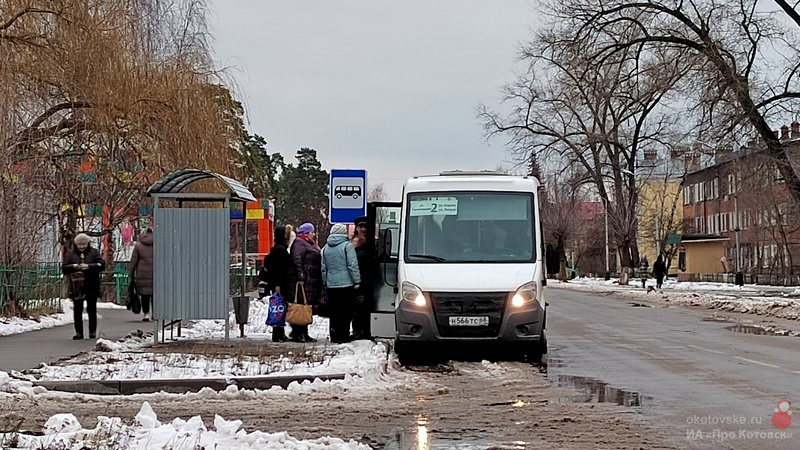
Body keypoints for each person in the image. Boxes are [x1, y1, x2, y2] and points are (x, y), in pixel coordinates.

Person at [322, 223, 361, 343]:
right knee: (346, 311)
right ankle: (343, 335)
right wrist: (357, 280)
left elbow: (324, 268)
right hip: (346, 284)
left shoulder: (325, 248)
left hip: (331, 285)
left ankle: (334, 335)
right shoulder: (347, 246)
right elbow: (352, 265)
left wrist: (325, 282)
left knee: (334, 312)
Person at [62, 233, 106, 340]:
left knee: (91, 309)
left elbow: (101, 265)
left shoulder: (94, 253)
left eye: (84, 244)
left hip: (92, 285)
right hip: (76, 286)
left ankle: (92, 331)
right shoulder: (71, 254)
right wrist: (73, 267)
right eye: (79, 245)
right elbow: (64, 268)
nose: (81, 246)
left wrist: (89, 266)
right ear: (76, 245)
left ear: (88, 243)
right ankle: (79, 332)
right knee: (77, 310)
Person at [286, 222, 322, 342]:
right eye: (312, 232)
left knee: (305, 307)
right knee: (300, 306)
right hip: (302, 281)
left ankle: (304, 332)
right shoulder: (300, 242)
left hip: (310, 281)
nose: (314, 234)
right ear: (306, 233)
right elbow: (297, 259)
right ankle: (297, 332)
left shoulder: (309, 243)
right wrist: (301, 275)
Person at [263, 225, 291, 342]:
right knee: (279, 308)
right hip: (280, 283)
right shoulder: (281, 250)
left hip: (277, 283)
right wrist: (278, 284)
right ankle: (278, 334)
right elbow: (279, 269)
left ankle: (279, 333)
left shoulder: (276, 248)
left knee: (278, 307)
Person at [350, 216, 373, 340]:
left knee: (366, 306)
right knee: (357, 307)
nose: (363, 229)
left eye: (365, 227)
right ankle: (357, 330)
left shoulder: (372, 242)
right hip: (357, 280)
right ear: (356, 228)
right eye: (361, 227)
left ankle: (366, 330)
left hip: (369, 279)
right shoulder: (352, 244)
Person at [128, 228, 154, 321]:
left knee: (144, 295)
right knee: (156, 295)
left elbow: (133, 261)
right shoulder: (159, 245)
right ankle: (155, 313)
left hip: (142, 274)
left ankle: (146, 313)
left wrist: (130, 274)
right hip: (156, 275)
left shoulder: (139, 246)